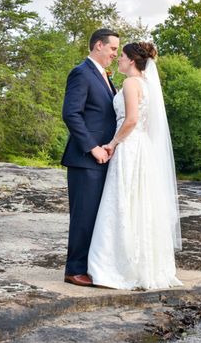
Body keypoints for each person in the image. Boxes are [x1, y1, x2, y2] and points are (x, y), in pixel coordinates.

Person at [87, 42, 182, 290]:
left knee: (124, 202)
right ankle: (145, 266)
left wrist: (112, 143)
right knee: (139, 204)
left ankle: (119, 266)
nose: (118, 59)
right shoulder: (147, 86)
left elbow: (130, 120)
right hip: (143, 147)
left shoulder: (131, 83)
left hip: (129, 147)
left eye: (122, 56)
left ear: (131, 60)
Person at [61, 28, 119, 287]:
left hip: (105, 157)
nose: (115, 55)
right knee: (83, 215)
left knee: (98, 215)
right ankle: (74, 270)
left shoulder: (105, 76)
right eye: (113, 49)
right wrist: (92, 147)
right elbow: (71, 113)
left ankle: (92, 265)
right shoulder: (81, 72)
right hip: (85, 158)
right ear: (98, 45)